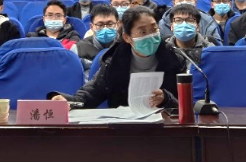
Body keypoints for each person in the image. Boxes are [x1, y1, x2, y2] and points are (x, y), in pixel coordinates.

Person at [49, 7, 186, 109]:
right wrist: (69, 101)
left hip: (165, 128)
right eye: (143, 31)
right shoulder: (114, 60)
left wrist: (167, 99)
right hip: (124, 129)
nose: (151, 36)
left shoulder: (175, 58)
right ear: (127, 37)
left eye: (154, 29)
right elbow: (93, 92)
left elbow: (184, 105)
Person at [71, 4, 119, 72]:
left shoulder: (126, 45)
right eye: (100, 25)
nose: (105, 28)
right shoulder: (78, 48)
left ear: (117, 25)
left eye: (110, 24)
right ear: (91, 27)